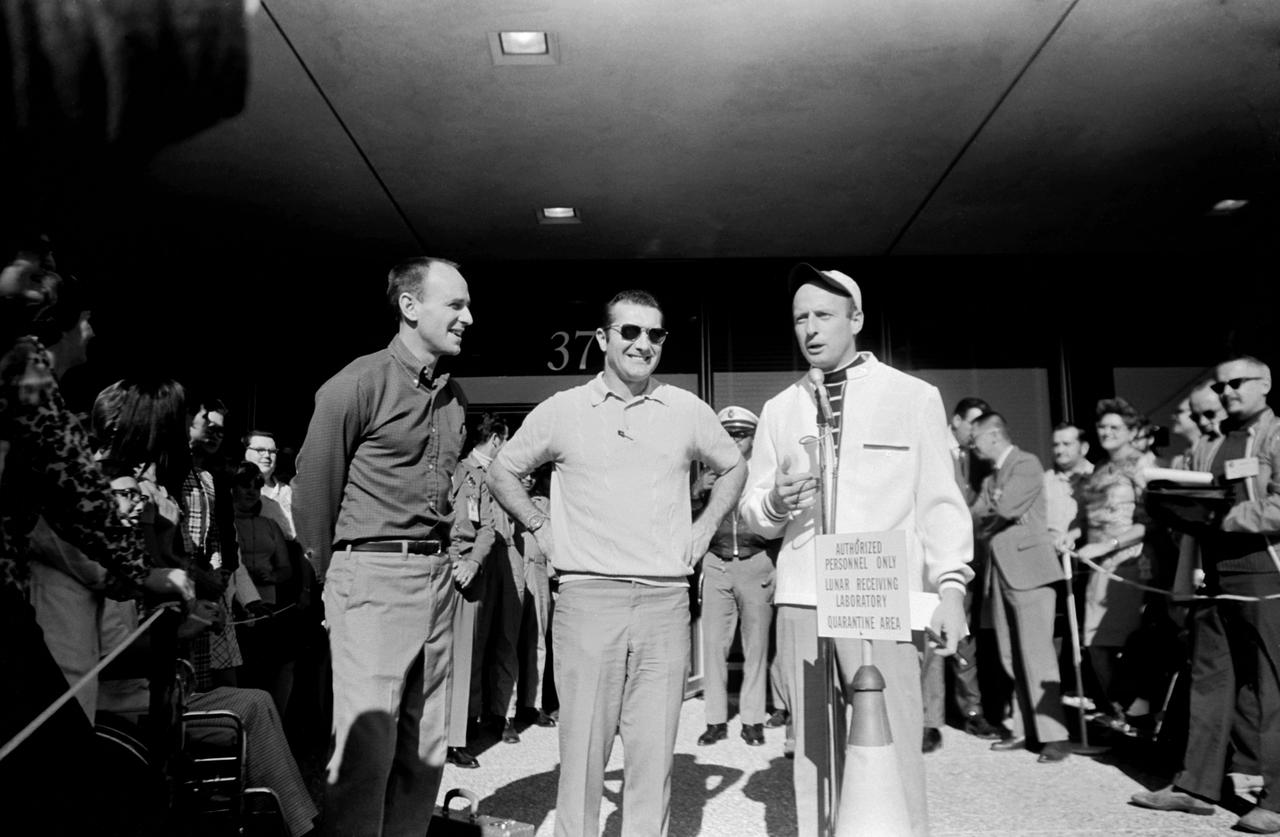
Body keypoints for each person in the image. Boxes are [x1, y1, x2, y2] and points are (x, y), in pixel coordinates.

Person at [486, 289, 746, 837]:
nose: (643, 343)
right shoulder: (564, 409)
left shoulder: (685, 409)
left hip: (665, 603)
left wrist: (703, 530)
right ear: (604, 338)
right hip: (588, 600)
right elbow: (502, 470)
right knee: (582, 754)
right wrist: (541, 527)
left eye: (655, 333)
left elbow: (733, 466)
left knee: (653, 757)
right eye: (630, 331)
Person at [738, 264, 972, 837]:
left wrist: (951, 588)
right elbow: (751, 512)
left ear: (857, 318)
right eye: (800, 317)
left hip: (878, 590)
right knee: (815, 759)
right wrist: (776, 503)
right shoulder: (779, 408)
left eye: (823, 314)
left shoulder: (913, 397)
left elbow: (940, 502)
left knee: (892, 744)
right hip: (803, 595)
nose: (810, 328)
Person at [0, 247, 192, 837]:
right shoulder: (24, 369)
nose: (92, 333)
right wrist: (143, 571)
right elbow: (75, 490)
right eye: (86, 320)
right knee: (49, 764)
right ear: (60, 324)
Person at [293, 257, 472, 837]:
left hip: (436, 581)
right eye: (456, 304)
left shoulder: (453, 397)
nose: (468, 317)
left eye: (468, 305)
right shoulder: (356, 384)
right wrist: (331, 582)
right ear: (409, 306)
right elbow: (313, 490)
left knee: (426, 750)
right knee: (366, 754)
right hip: (370, 577)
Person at [1132, 356, 1280, 833]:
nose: (1227, 392)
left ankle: (1276, 801)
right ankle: (1195, 786)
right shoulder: (1208, 444)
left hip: (1265, 576)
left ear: (1265, 383)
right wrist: (1167, 504)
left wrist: (1225, 518)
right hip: (1211, 578)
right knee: (1209, 683)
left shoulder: (1276, 435)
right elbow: (1193, 501)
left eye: (1236, 382)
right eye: (1220, 386)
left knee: (1273, 688)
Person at [969, 411, 1071, 762]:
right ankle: (1026, 729)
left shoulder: (1026, 463)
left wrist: (991, 513)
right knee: (1010, 654)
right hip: (1002, 572)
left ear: (994, 435)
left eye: (975, 439)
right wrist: (990, 514)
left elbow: (1004, 508)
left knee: (1037, 655)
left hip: (1030, 571)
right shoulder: (992, 477)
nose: (972, 446)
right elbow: (977, 516)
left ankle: (1056, 736)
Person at [696, 405, 779, 748]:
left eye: (741, 434)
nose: (734, 440)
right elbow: (684, 521)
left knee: (756, 646)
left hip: (755, 561)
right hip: (716, 562)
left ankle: (752, 720)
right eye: (728, 434)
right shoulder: (708, 472)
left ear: (753, 438)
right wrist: (696, 491)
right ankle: (715, 720)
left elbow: (780, 521)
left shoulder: (765, 473)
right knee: (714, 645)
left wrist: (777, 564)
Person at [921, 397, 1000, 754]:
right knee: (932, 638)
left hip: (971, 561)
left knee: (965, 637)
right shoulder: (932, 447)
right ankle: (930, 719)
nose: (977, 431)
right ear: (955, 421)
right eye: (972, 423)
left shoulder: (982, 460)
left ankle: (972, 710)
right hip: (934, 559)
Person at [1075, 397, 1157, 730]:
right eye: (1102, 426)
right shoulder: (1099, 469)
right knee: (1096, 645)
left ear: (1131, 431)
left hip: (1130, 565)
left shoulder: (1143, 465)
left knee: (1124, 645)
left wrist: (1107, 545)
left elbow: (1150, 522)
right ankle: (1121, 712)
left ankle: (1138, 716)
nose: (1106, 432)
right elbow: (1088, 517)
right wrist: (1072, 534)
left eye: (1114, 427)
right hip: (1097, 568)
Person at [245, 429, 296, 540]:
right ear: (245, 452)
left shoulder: (289, 493)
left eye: (272, 451)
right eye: (260, 450)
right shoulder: (235, 491)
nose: (267, 455)